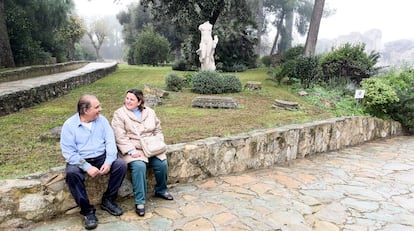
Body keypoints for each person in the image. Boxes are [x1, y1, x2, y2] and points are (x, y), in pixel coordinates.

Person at [60, 94, 127, 230]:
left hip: (101, 157)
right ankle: (87, 211)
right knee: (72, 173)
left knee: (121, 165)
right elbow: (69, 153)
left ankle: (108, 200)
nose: (100, 109)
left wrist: (108, 162)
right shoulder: (69, 125)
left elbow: (110, 143)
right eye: (97, 107)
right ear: (86, 110)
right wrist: (86, 166)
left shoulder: (102, 121)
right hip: (80, 159)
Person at [111, 89, 173, 217]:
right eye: (127, 98)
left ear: (139, 102)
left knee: (162, 164)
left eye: (132, 99)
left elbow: (158, 129)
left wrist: (158, 142)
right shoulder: (119, 114)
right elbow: (119, 136)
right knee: (139, 166)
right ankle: (140, 201)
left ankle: (161, 190)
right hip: (133, 148)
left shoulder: (150, 112)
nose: (128, 101)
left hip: (151, 146)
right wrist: (131, 150)